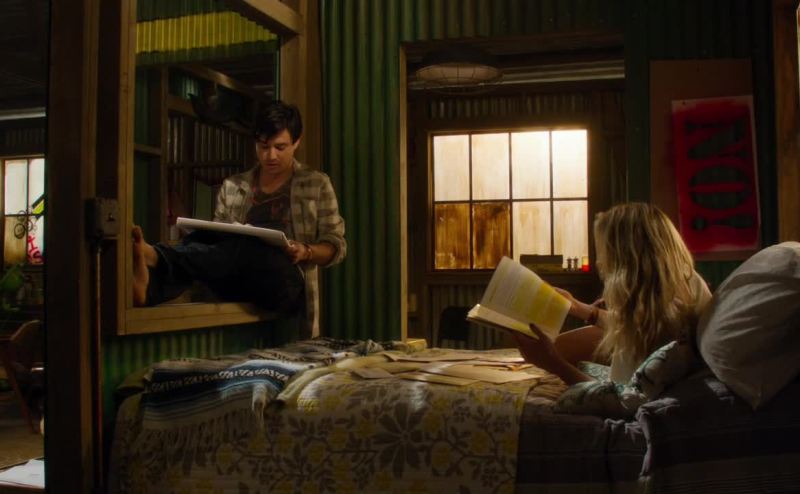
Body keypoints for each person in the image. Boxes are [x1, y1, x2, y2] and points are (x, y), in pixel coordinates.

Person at [132, 100, 346, 337]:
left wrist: (305, 251)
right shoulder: (234, 186)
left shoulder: (316, 183)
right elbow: (217, 251)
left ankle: (158, 256)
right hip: (238, 278)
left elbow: (335, 245)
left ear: (296, 142)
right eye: (263, 147)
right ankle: (148, 291)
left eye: (280, 147)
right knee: (204, 239)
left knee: (247, 246)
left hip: (283, 282)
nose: (271, 155)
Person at [512, 202, 711, 385]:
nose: (600, 262)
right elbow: (637, 326)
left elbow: (621, 399)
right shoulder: (686, 282)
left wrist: (553, 364)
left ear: (624, 257)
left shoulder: (662, 314)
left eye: (603, 252)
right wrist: (581, 309)